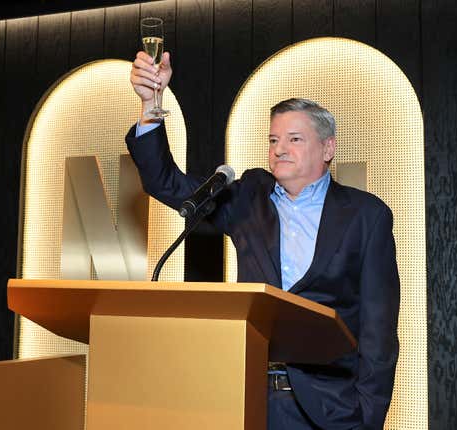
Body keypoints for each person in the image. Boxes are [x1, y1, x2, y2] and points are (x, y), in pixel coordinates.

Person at [127, 50, 400, 430]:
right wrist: (150, 107)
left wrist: (367, 419)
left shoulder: (367, 215)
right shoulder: (248, 198)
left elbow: (379, 331)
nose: (279, 149)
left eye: (294, 139)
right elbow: (166, 182)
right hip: (247, 400)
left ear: (328, 149)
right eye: (273, 139)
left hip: (330, 412)